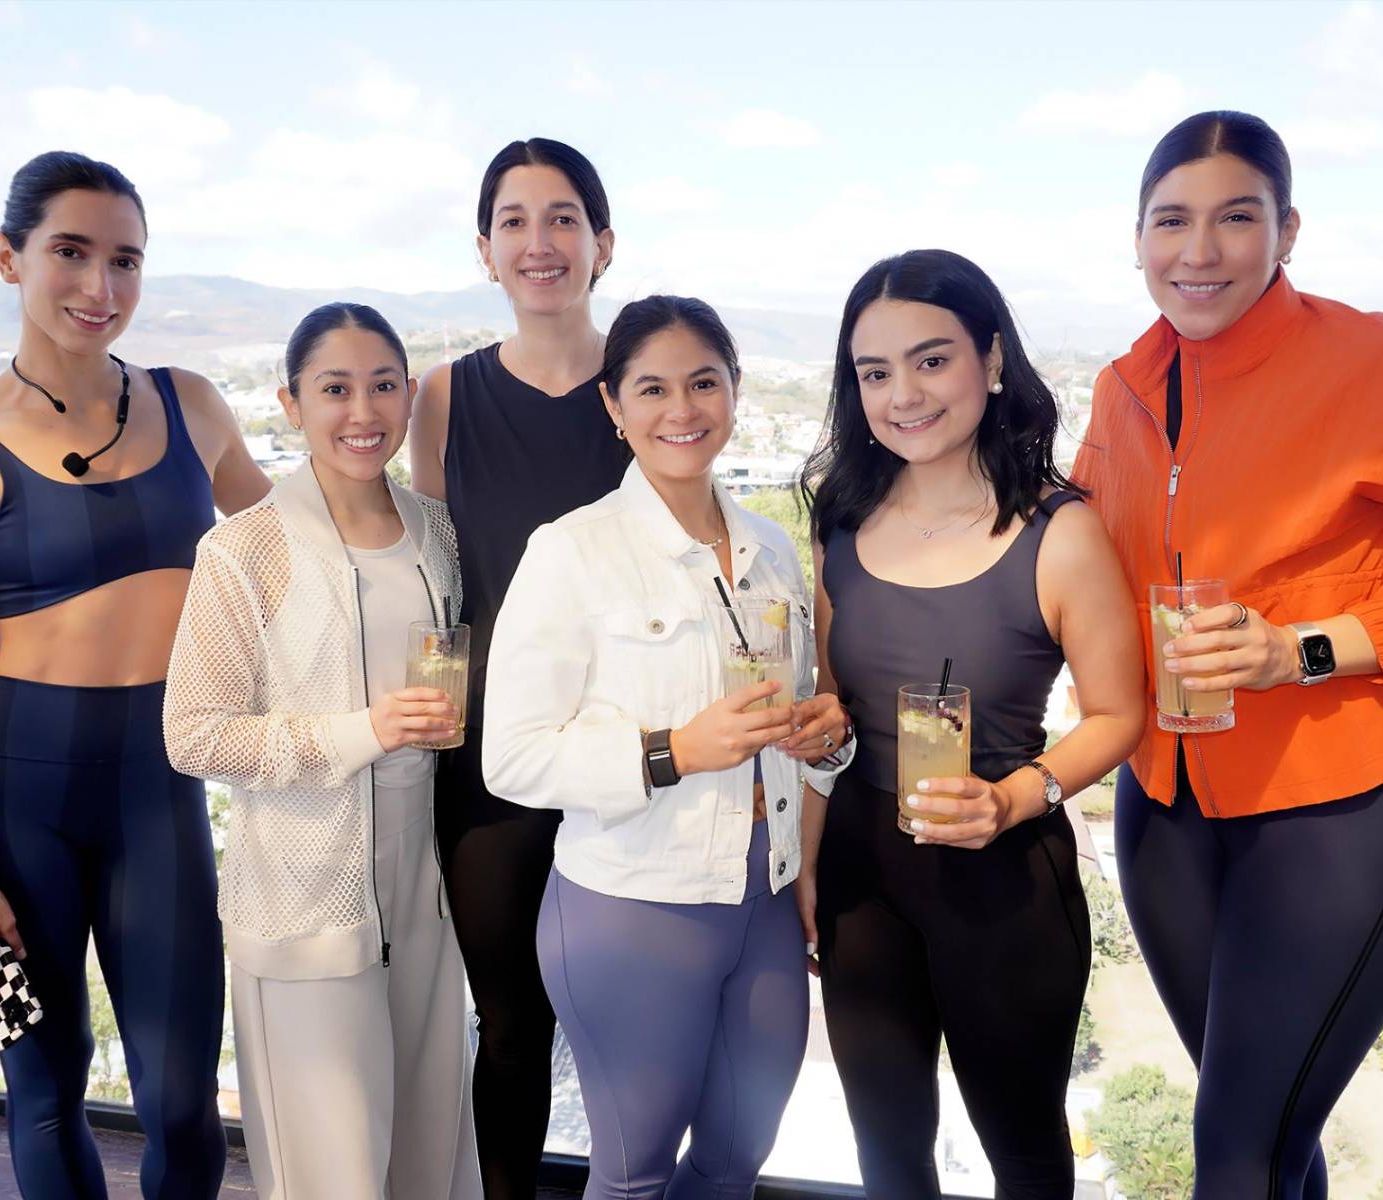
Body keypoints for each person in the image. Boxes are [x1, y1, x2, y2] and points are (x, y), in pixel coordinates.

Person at [1074, 110, 1383, 1199]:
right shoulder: (1126, 386)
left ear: (1287, 230)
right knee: (1261, 1129)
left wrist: (1303, 650)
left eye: (1236, 218)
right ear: (1137, 236)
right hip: (1169, 795)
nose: (1199, 252)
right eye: (1172, 221)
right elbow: (1083, 561)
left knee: (1236, 1153)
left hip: (1348, 799)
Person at [0, 150, 269, 1199]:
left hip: (161, 788)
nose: (100, 288)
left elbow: (293, 548)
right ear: (8, 255)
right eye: (71, 253)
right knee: (43, 1092)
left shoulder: (191, 404)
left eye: (125, 260)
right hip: (16, 802)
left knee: (184, 1099)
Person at [483, 295, 853, 1200]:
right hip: (630, 905)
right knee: (635, 1170)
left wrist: (825, 733)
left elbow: (801, 718)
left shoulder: (770, 549)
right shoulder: (571, 552)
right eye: (652, 388)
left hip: (761, 899)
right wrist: (674, 750)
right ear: (613, 406)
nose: (681, 409)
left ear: (734, 392)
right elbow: (513, 757)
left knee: (736, 1157)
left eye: (703, 383)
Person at [799, 248, 1144, 1199]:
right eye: (874, 372)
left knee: (1027, 1160)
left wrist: (1012, 799)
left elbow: (1121, 713)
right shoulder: (842, 519)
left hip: (1006, 884)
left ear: (991, 361)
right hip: (863, 880)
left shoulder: (1057, 530)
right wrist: (808, 862)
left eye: (931, 359)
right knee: (889, 1159)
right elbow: (835, 711)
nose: (903, 394)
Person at [164, 303, 480, 1199]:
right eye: (334, 389)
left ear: (410, 396)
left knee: (429, 1156)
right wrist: (365, 730)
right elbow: (193, 731)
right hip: (306, 894)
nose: (363, 410)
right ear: (291, 403)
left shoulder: (438, 533)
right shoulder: (245, 548)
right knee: (331, 1173)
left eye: (384, 385)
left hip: (428, 892)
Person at [409, 136, 630, 1197]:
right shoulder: (440, 397)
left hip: (631, 754)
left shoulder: (646, 388)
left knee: (628, 1012)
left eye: (561, 218)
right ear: (486, 251)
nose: (538, 242)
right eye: (513, 220)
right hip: (489, 757)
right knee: (509, 1020)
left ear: (603, 244)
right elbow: (436, 585)